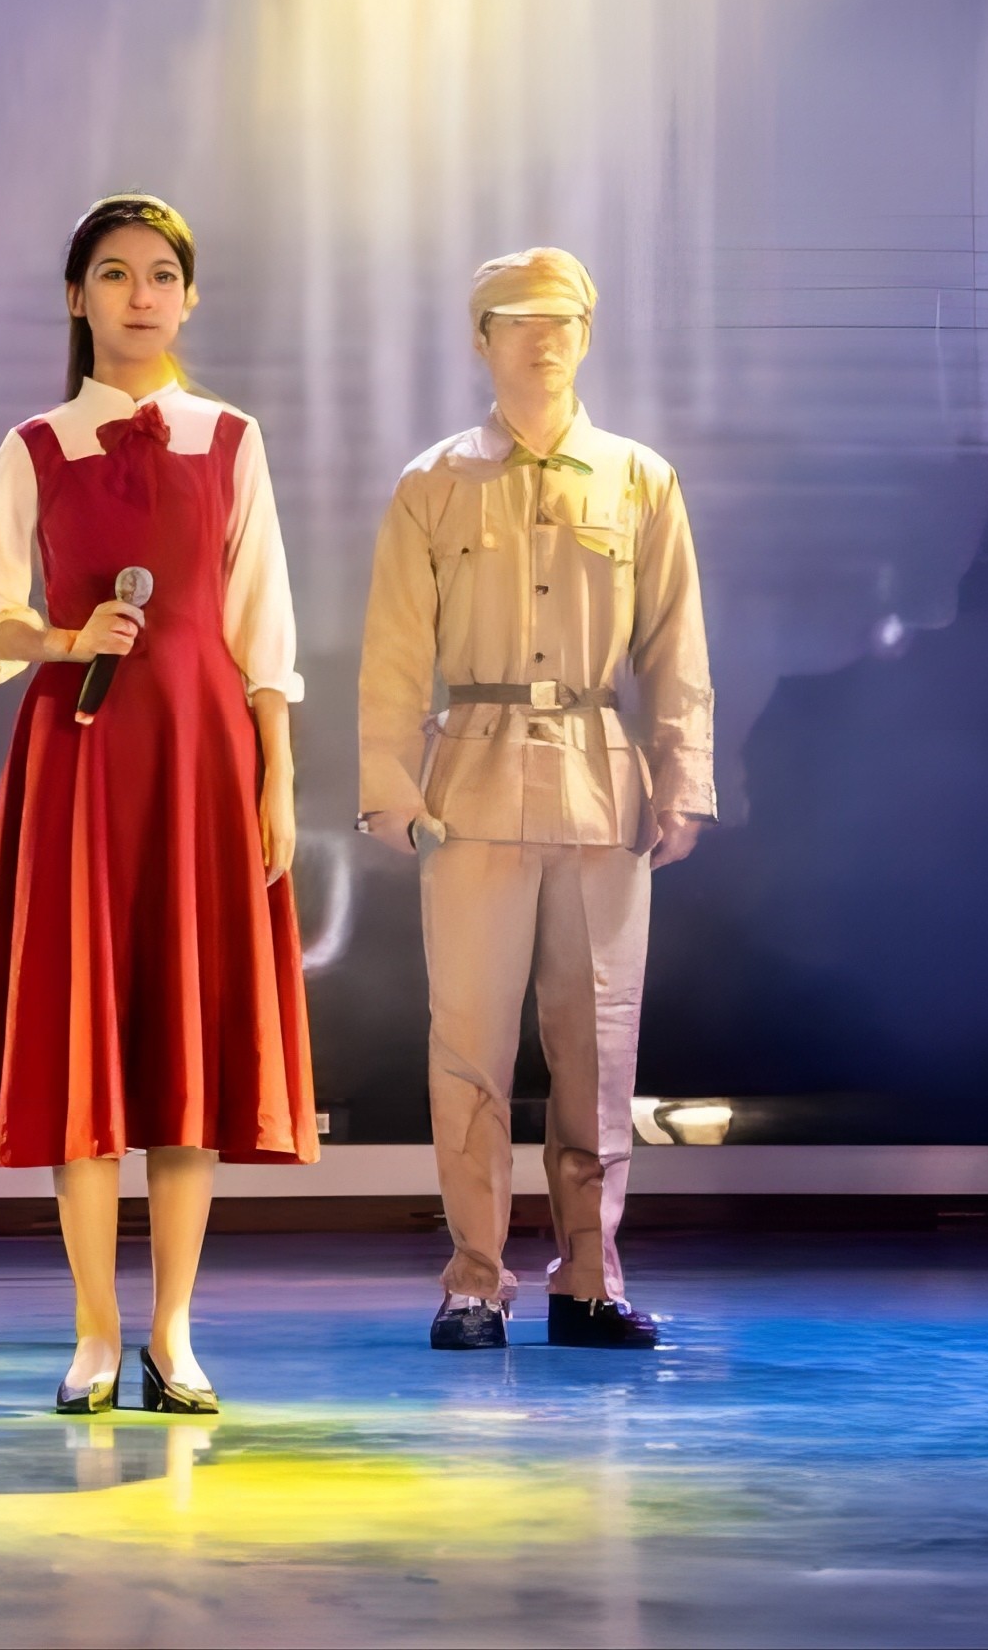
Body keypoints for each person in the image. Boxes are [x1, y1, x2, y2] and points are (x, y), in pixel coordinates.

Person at [0, 194, 315, 1418]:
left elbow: (264, 626)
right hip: (83, 758)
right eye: (114, 273)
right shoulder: (37, 446)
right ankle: (96, 1332)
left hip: (204, 757)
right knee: (85, 1043)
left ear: (188, 298)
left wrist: (278, 775)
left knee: (185, 1042)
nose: (140, 295)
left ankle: (175, 1330)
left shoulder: (233, 439)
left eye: (161, 274)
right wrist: (64, 636)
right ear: (76, 297)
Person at [357, 246, 716, 1351]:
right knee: (468, 1045)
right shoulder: (433, 483)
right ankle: (475, 1279)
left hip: (602, 782)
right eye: (519, 318)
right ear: (482, 338)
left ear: (588, 334)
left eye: (563, 318)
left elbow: (676, 644)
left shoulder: (640, 479)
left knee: (599, 1045)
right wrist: (387, 786)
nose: (544, 336)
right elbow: (394, 651)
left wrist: (684, 778)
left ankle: (589, 1278)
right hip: (471, 779)